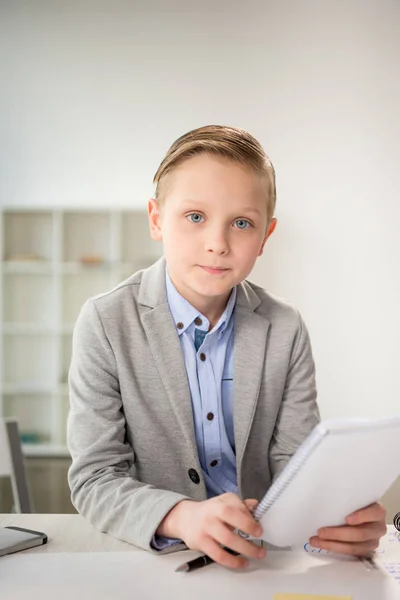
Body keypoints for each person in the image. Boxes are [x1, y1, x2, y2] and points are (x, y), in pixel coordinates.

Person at [67, 125, 386, 569]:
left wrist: (335, 521)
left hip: (262, 563)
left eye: (241, 223)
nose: (217, 243)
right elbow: (96, 479)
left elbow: (295, 466)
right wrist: (181, 516)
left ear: (265, 236)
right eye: (195, 216)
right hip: (155, 564)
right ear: (157, 219)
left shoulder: (284, 327)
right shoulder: (105, 322)